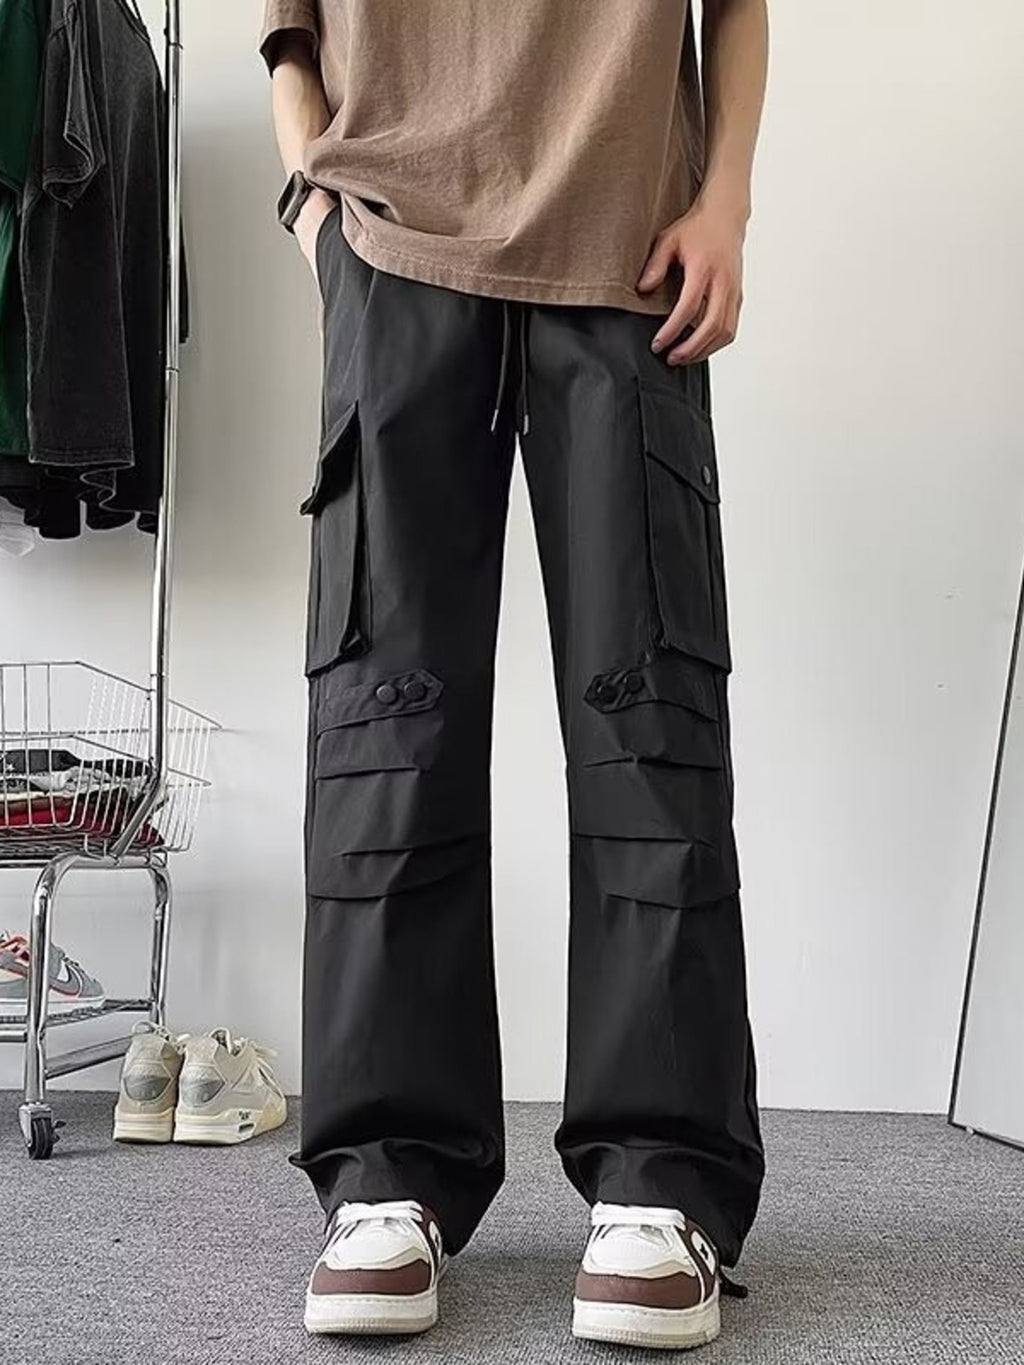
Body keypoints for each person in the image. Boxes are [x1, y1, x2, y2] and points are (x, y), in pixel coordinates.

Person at [260, 0, 768, 1350]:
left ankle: (662, 1176)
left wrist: (726, 199)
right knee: (387, 715)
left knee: (647, 708)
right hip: (388, 241)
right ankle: (386, 1170)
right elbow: (288, 28)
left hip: (629, 251)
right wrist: (315, 207)